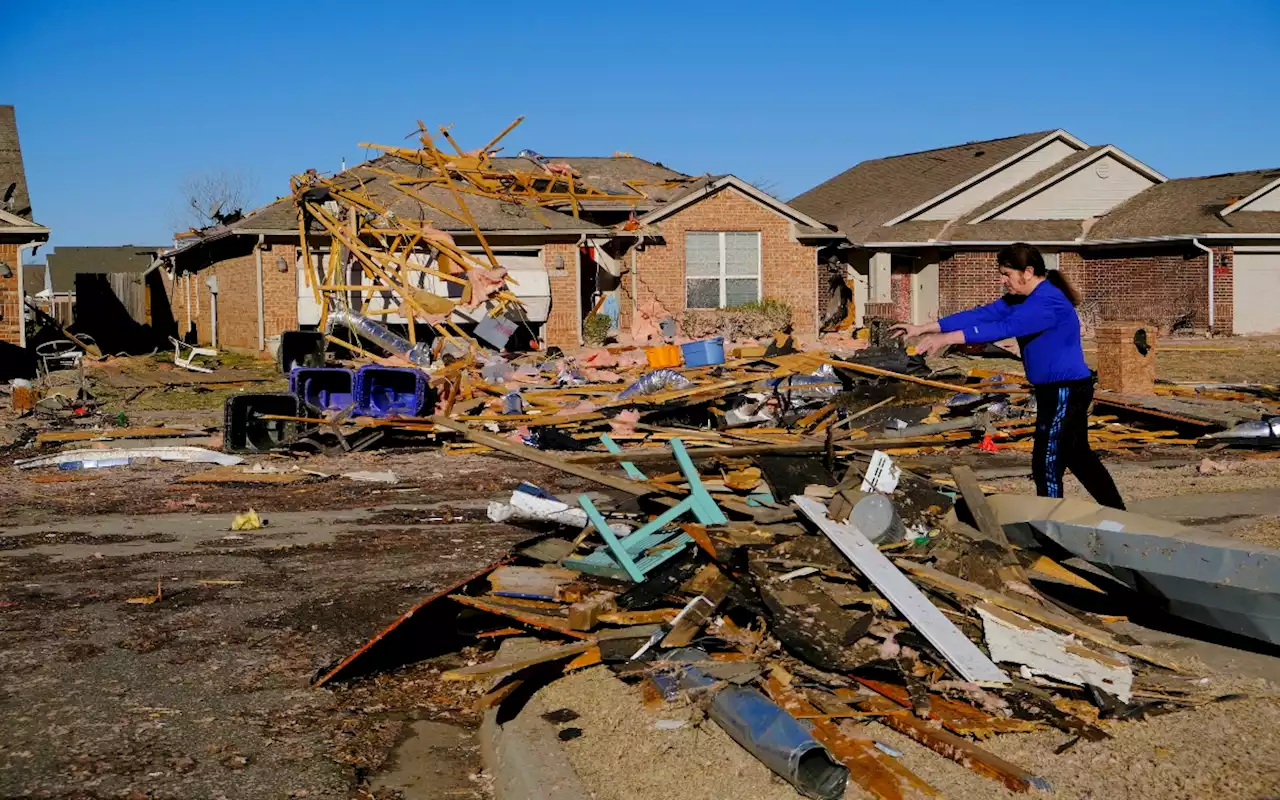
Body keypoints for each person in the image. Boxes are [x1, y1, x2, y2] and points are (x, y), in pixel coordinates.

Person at [891, 243, 1125, 510]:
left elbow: (1004, 327)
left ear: (1027, 271)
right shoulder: (1023, 299)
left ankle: (1051, 528)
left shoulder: (1047, 301)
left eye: (1006, 274)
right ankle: (1117, 512)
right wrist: (922, 328)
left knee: (1047, 461)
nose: (1003, 281)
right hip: (1058, 389)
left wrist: (945, 338)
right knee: (1078, 455)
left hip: (1065, 389)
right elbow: (982, 315)